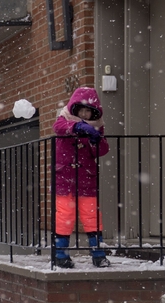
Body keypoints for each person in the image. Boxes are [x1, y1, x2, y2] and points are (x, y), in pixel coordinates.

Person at [52, 86, 111, 268]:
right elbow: (58, 128)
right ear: (74, 108)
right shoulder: (65, 119)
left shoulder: (97, 127)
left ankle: (98, 255)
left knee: (92, 216)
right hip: (65, 178)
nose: (85, 114)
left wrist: (95, 140)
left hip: (86, 178)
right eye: (82, 110)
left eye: (88, 111)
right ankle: (60, 255)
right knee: (64, 216)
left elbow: (102, 150)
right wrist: (76, 126)